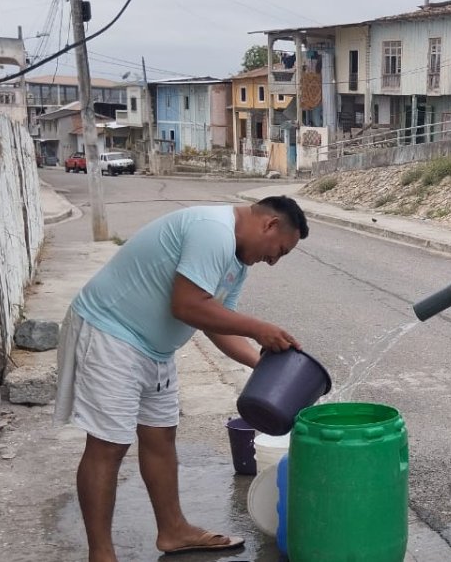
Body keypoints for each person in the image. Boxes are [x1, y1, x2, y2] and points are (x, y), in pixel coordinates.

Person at [54, 195, 309, 561]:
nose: (273, 261)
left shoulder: (237, 265)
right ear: (270, 224)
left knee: (160, 438)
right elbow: (187, 305)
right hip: (111, 333)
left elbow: (216, 323)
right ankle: (102, 554)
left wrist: (265, 366)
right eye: (279, 251)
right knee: (108, 445)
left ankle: (173, 530)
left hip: (155, 350)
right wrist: (259, 328)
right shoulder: (213, 231)